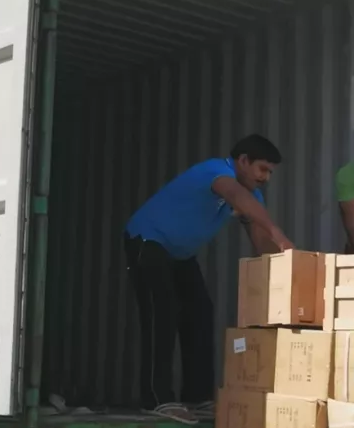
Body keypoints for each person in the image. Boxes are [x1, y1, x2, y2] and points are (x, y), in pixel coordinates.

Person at [123, 134, 294, 413]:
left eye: (270, 172)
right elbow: (235, 195)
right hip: (147, 240)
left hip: (180, 254)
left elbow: (260, 240)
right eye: (263, 169)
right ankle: (156, 399)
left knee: (200, 311)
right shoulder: (216, 171)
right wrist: (277, 232)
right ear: (243, 161)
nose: (266, 178)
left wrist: (285, 266)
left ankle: (197, 396)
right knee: (162, 311)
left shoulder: (252, 197)